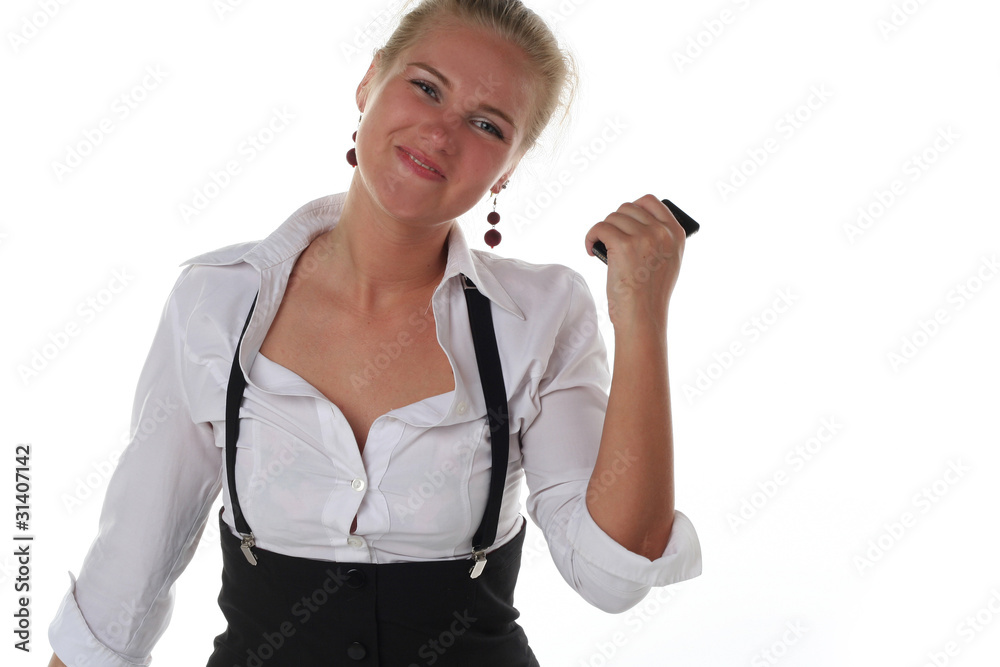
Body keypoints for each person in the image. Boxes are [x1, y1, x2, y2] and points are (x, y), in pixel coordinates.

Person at [47, 0, 702, 664]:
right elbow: (123, 581)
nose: (440, 133)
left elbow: (613, 576)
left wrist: (641, 315)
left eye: (486, 124)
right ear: (368, 83)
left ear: (508, 167)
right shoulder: (217, 301)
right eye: (426, 87)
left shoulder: (543, 314)